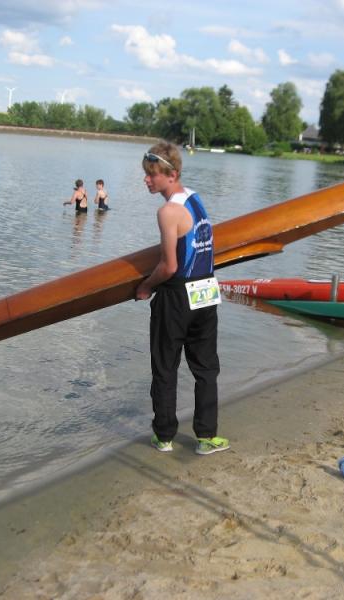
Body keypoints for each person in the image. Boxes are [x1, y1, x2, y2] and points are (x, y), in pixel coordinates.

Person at [135, 142, 229, 456]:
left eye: (152, 175)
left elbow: (169, 266)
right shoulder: (195, 199)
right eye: (146, 174)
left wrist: (146, 286)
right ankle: (207, 436)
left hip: (177, 297)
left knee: (165, 367)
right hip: (206, 291)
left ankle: (164, 437)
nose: (147, 179)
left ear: (171, 175)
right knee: (206, 368)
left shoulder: (167, 212)